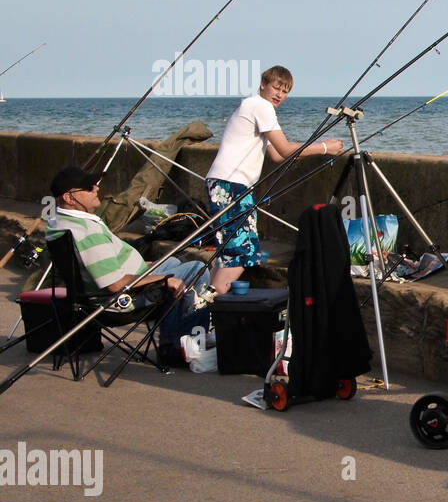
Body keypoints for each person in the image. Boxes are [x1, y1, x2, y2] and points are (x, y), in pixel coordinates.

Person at [205, 65, 344, 294]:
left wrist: (313, 149)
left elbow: (277, 155)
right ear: (263, 85)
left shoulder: (252, 106)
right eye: (276, 87)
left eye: (285, 91)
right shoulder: (260, 106)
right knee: (242, 253)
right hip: (231, 185)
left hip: (227, 183)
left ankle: (205, 305)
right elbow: (286, 149)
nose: (279, 94)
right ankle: (211, 303)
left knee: (229, 252)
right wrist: (324, 147)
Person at [47, 166, 212, 348]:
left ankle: (175, 337)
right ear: (69, 197)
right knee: (197, 269)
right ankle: (179, 345)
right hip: (118, 302)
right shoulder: (87, 232)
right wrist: (163, 280)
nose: (96, 188)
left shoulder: (57, 224)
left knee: (172, 261)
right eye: (88, 187)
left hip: (95, 294)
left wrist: (145, 266)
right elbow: (115, 284)